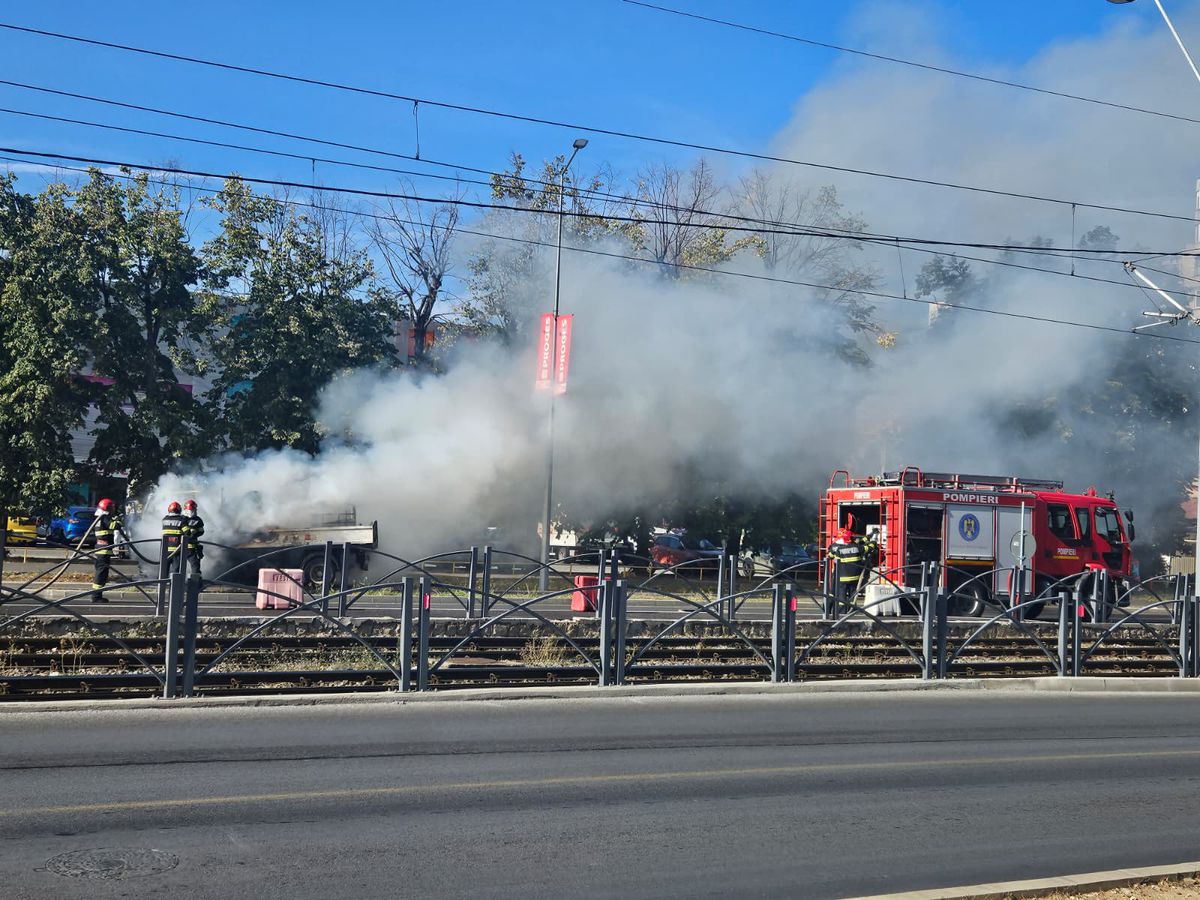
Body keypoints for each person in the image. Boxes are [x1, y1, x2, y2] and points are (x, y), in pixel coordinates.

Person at [826, 527, 870, 615]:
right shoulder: (854, 546)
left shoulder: (836, 546)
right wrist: (871, 541)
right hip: (853, 576)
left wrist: (869, 536)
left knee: (836, 594)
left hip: (840, 575)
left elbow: (830, 556)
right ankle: (851, 611)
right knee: (851, 593)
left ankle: (833, 611)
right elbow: (862, 546)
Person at [90, 498, 126, 603]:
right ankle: (96, 597)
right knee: (101, 574)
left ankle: (97, 595)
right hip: (103, 551)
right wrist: (118, 520)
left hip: (102, 550)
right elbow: (116, 525)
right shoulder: (104, 519)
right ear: (109, 508)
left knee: (101, 574)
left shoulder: (99, 518)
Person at [181, 498, 205, 579]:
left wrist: (194, 533)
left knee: (195, 567)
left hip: (191, 547)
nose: (192, 511)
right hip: (181, 547)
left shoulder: (198, 519)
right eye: (191, 509)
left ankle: (195, 584)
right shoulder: (181, 518)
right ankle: (177, 584)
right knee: (178, 567)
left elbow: (201, 531)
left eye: (193, 509)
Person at [161, 501, 186, 572]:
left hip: (165, 550)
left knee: (164, 569)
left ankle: (163, 582)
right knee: (176, 570)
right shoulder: (182, 520)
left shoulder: (164, 519)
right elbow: (187, 533)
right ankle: (175, 583)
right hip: (176, 550)